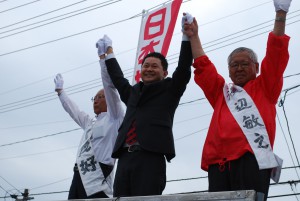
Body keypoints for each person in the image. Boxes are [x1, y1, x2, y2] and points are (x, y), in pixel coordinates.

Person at [183, 0, 291, 200]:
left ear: (256, 67)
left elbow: (276, 54)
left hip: (252, 161)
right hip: (218, 164)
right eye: (234, 65)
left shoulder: (266, 86)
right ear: (229, 70)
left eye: (244, 64)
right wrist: (194, 36)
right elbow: (203, 67)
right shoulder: (222, 93)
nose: (239, 68)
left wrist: (280, 14)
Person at [98, 14, 194, 197]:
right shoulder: (132, 92)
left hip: (151, 157)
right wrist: (109, 54)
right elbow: (118, 79)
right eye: (145, 66)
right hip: (125, 158)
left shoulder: (170, 90)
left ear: (164, 72)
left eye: (154, 66)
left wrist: (186, 36)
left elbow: (183, 68)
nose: (149, 69)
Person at [53, 37, 124, 199]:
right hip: (80, 173)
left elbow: (109, 87)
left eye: (101, 97)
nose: (96, 100)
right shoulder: (89, 123)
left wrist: (102, 59)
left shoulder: (115, 118)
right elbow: (74, 110)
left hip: (99, 174)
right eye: (94, 98)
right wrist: (60, 92)